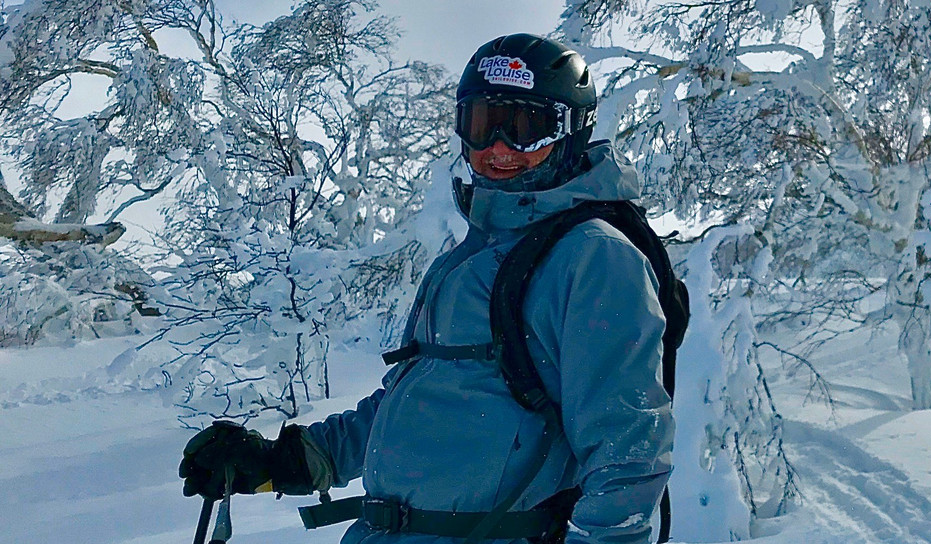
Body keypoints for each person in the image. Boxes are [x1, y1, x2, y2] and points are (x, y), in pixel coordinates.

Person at [180, 34, 675, 544]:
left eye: (526, 127)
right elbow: (423, 404)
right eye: (483, 125)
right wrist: (290, 461)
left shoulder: (592, 257)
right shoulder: (473, 255)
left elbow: (629, 448)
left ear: (571, 131)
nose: (499, 147)